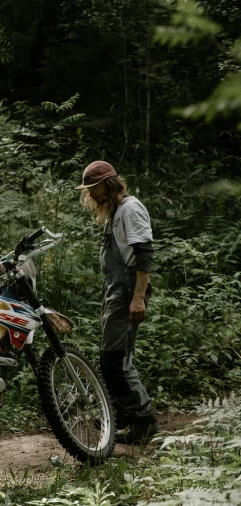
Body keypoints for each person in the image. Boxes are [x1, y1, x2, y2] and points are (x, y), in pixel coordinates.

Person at [76, 160, 160, 443]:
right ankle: (125, 413)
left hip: (127, 292)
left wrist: (138, 298)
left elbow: (144, 255)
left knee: (117, 360)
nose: (90, 195)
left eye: (93, 188)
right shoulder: (115, 212)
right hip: (116, 290)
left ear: (108, 184)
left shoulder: (130, 209)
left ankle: (144, 421)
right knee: (112, 358)